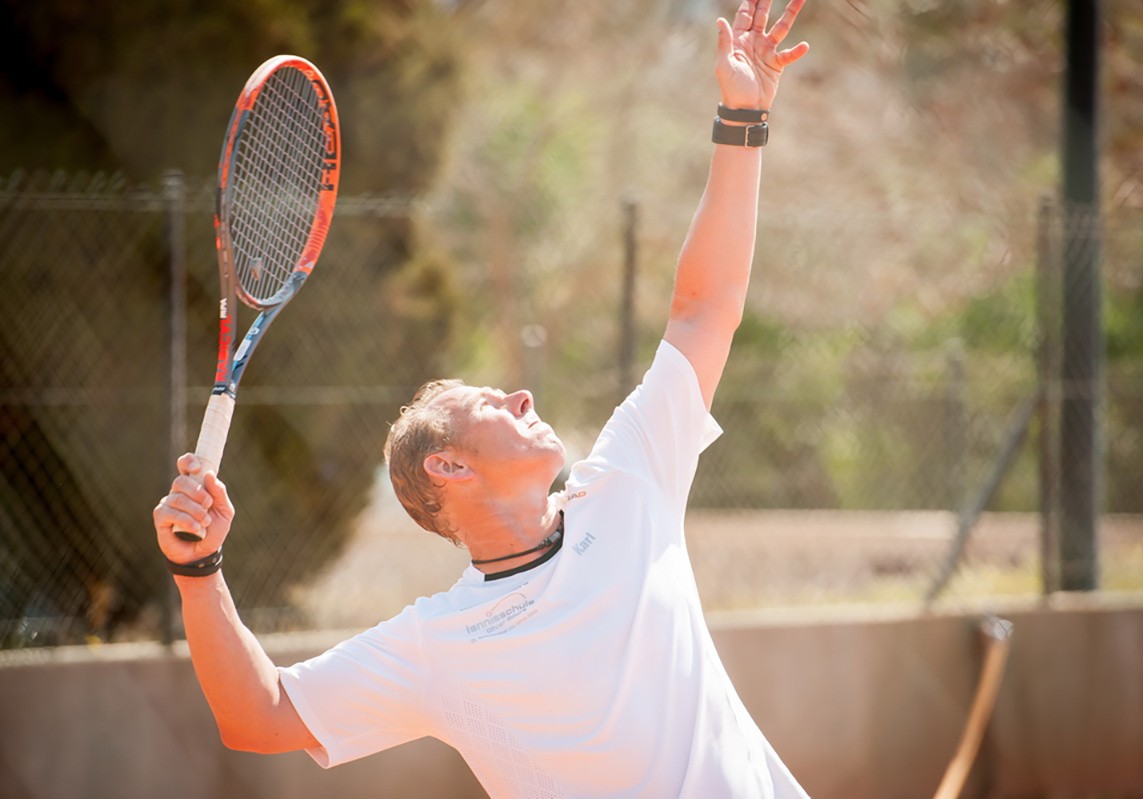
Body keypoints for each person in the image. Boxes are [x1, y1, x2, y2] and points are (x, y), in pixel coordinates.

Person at [153, 1, 812, 795]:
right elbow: (258, 716)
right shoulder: (439, 643)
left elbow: (704, 307)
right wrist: (200, 572)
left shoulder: (629, 482)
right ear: (449, 467)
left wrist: (743, 117)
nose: (524, 394)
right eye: (492, 403)